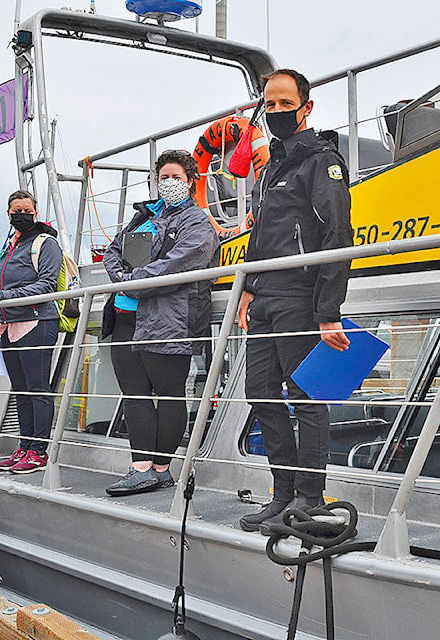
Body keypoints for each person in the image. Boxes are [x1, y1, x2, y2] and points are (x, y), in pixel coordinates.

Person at [237, 69, 354, 533]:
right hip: (265, 293)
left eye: (287, 104)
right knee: (260, 394)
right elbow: (261, 233)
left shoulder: (321, 162)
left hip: (299, 296)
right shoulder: (269, 169)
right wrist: (247, 285)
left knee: (305, 397)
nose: (278, 112)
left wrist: (328, 313)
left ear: (307, 107)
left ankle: (310, 499)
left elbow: (337, 235)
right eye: (271, 104)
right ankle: (281, 493)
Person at [102, 150, 219, 496]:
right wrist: (123, 277)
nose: (169, 184)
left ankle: (162, 468)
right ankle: (140, 468)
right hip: (125, 318)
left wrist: (134, 279)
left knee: (169, 394)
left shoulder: (196, 222)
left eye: (176, 178)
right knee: (134, 394)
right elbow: (111, 252)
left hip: (167, 321)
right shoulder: (142, 217)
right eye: (163, 178)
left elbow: (181, 263)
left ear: (190, 182)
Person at [0, 190, 62, 474]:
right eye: (15, 210)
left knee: (38, 389)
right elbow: (0, 287)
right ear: (8, 215)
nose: (21, 214)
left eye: (26, 209)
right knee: (20, 390)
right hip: (10, 326)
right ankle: (25, 446)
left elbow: (47, 285)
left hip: (37, 323)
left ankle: (38, 452)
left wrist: (8, 296)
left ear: (35, 212)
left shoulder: (46, 243)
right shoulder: (11, 245)